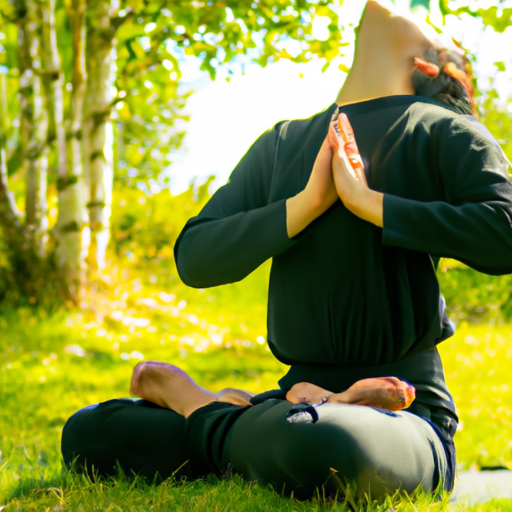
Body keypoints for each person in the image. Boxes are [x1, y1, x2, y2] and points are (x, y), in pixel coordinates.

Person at [61, 0, 512, 499]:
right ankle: (290, 413)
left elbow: (504, 234)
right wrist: (303, 206)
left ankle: (204, 412)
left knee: (333, 442)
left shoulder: (441, 128)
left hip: (402, 414)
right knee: (90, 431)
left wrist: (370, 203)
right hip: (291, 401)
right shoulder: (284, 142)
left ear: (427, 62)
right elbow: (194, 256)